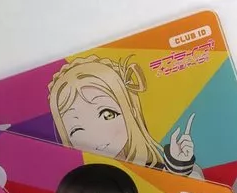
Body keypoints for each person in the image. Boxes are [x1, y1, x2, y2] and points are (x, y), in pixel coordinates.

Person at [48, 55, 204, 179]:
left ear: (131, 112)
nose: (95, 135)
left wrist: (179, 165)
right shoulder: (78, 184)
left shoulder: (152, 170)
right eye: (76, 129)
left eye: (107, 114)